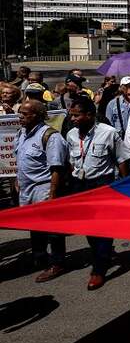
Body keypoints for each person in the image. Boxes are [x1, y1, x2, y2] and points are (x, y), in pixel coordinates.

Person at [64, 97, 130, 290]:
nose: (73, 118)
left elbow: (121, 159)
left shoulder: (108, 133)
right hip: (80, 185)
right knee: (88, 227)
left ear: (90, 115)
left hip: (102, 184)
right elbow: (71, 161)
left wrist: (123, 186)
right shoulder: (71, 135)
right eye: (72, 115)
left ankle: (99, 269)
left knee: (102, 227)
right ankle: (103, 251)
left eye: (77, 115)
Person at [14, 100, 69, 283]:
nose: (20, 117)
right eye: (20, 113)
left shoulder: (51, 137)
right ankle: (40, 257)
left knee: (52, 227)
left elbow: (57, 169)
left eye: (24, 114)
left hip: (44, 188)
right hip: (26, 188)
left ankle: (57, 262)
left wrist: (52, 195)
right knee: (34, 224)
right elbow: (20, 158)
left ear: (36, 116)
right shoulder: (21, 133)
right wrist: (17, 180)